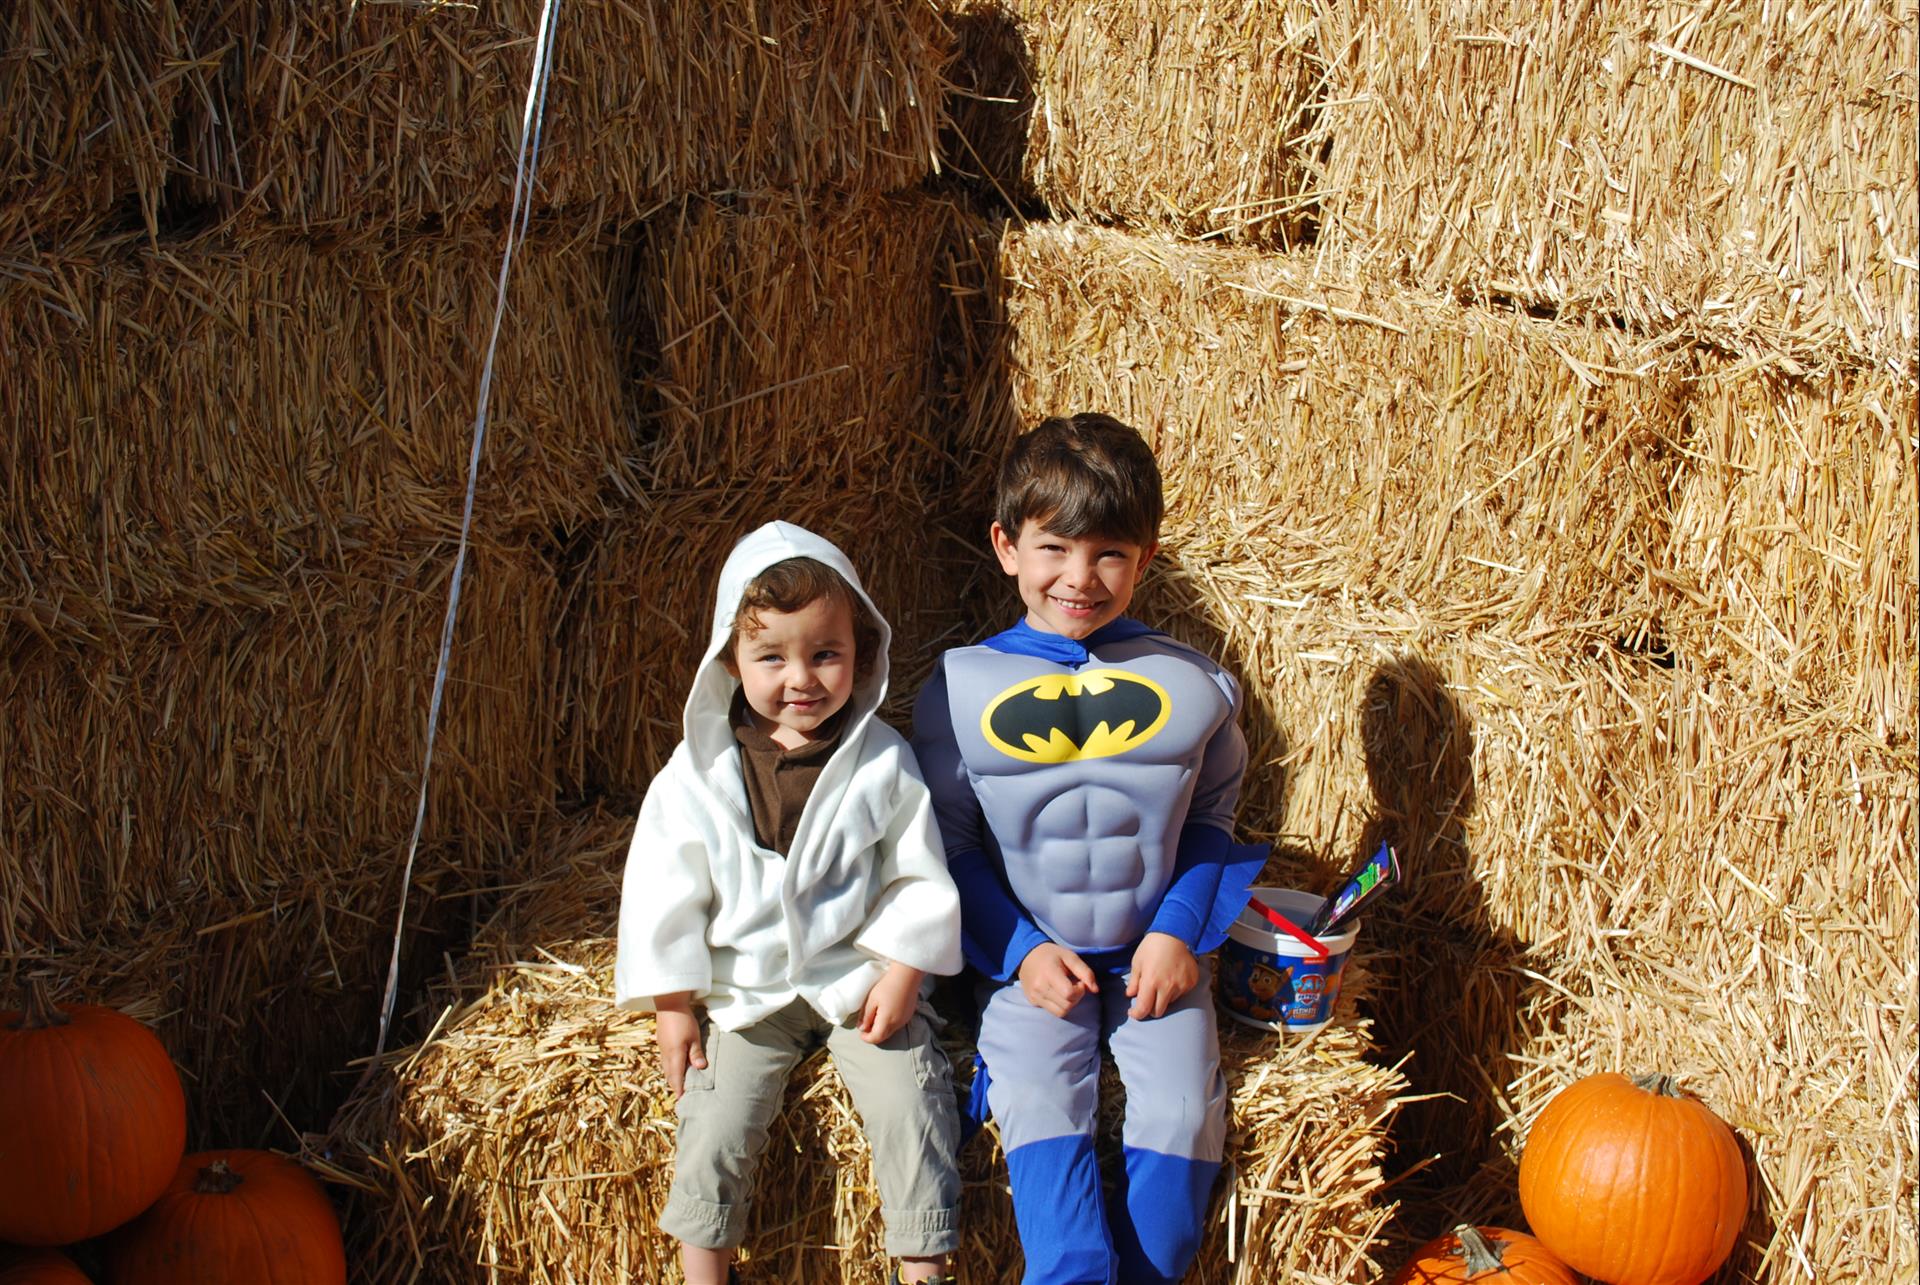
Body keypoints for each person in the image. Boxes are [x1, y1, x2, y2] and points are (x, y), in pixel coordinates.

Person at [912, 414, 1267, 1285]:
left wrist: (1179, 932)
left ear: (1146, 557)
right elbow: (945, 846)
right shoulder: (957, 689)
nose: (1080, 577)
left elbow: (1214, 819)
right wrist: (1021, 951)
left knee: (1186, 1115)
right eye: (1055, 548)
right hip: (1028, 964)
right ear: (1006, 546)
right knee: (1038, 1101)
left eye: (1110, 552)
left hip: (1155, 958)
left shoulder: (1197, 686)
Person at [616, 521, 963, 1285]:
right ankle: (705, 1269)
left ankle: (923, 1264)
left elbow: (917, 874)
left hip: (856, 981)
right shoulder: (696, 774)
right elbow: (662, 887)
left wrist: (905, 967)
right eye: (771, 656)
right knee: (714, 1122)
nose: (800, 677)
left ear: (859, 653)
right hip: (749, 991)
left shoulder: (881, 762)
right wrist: (673, 1001)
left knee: (913, 1100)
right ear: (729, 658)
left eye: (824, 654)